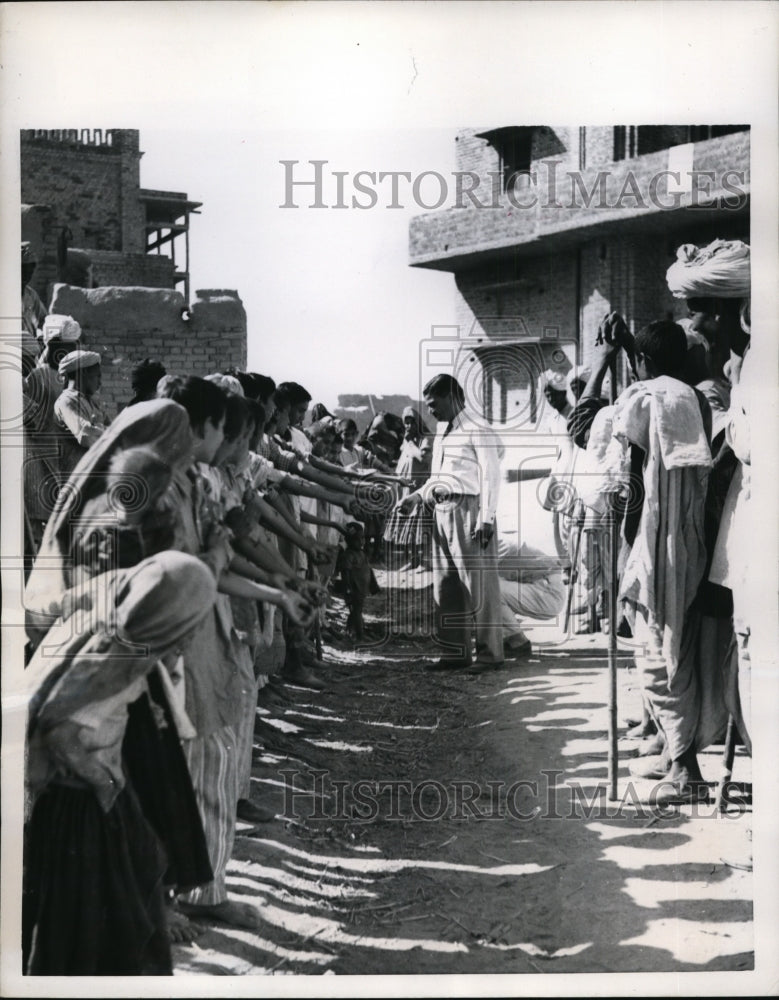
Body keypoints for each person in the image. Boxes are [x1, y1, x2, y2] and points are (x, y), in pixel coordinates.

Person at [22, 551, 218, 975]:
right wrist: (106, 784)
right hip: (78, 803)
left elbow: (42, 614)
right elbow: (59, 733)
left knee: (131, 886)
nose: (193, 633)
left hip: (73, 793)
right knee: (96, 929)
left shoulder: (109, 604)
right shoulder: (116, 664)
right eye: (190, 622)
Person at [599, 320, 713, 805]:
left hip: (652, 535)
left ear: (642, 362)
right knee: (678, 643)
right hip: (691, 535)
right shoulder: (695, 399)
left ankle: (687, 771)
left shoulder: (640, 398)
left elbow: (618, 466)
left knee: (655, 650)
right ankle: (673, 753)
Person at [400, 374, 504, 671]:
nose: (431, 411)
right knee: (446, 586)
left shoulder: (477, 427)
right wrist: (417, 497)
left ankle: (490, 654)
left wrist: (486, 517)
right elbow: (438, 477)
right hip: (441, 509)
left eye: (434, 404)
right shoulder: (443, 431)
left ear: (452, 397)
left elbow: (491, 474)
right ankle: (455, 653)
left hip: (468, 509)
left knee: (477, 585)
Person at [384, 407, 434, 573]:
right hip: (405, 489)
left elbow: (424, 458)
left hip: (418, 489)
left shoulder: (426, 439)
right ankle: (412, 560)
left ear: (418, 422)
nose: (408, 425)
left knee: (420, 525)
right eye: (405, 422)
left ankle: (424, 561)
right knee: (406, 526)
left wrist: (411, 443)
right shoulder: (406, 441)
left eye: (411, 422)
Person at [54, 348, 108, 476]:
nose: (100, 383)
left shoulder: (93, 401)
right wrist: (103, 428)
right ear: (83, 373)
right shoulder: (66, 402)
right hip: (75, 477)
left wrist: (100, 427)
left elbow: (112, 427)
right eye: (97, 376)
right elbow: (87, 436)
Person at [337, 521, 380, 642]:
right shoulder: (348, 555)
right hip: (354, 589)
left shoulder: (361, 553)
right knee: (356, 612)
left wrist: (373, 584)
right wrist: (347, 588)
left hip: (362, 589)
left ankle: (349, 630)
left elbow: (368, 569)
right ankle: (360, 635)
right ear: (349, 540)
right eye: (357, 539)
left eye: (363, 538)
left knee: (355, 611)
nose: (362, 541)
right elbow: (345, 573)